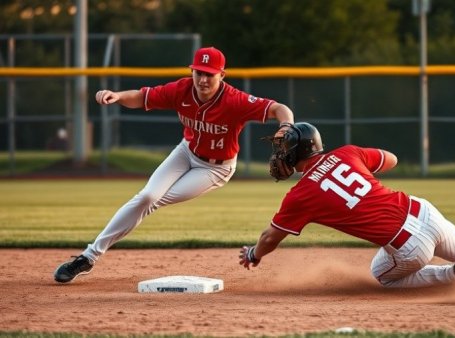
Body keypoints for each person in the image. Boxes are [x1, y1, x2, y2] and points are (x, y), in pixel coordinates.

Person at [238, 122, 455, 288]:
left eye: (283, 147)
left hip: (409, 245)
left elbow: (271, 237)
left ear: (298, 152)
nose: (278, 153)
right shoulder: (347, 152)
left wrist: (254, 254)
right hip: (420, 209)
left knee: (382, 278)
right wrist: (359, 164)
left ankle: (454, 274)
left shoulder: (301, 195)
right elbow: (390, 159)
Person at [54, 46, 295, 283]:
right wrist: (117, 96)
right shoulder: (182, 89)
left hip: (215, 169)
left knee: (151, 201)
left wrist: (285, 126)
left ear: (222, 75)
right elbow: (142, 96)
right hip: (185, 151)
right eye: (198, 72)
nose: (202, 79)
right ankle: (88, 257)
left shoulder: (235, 100)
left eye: (209, 74)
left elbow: (279, 109)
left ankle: (89, 256)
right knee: (147, 197)